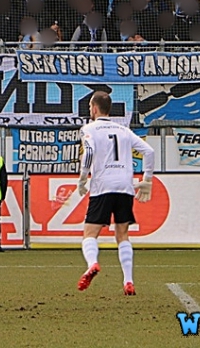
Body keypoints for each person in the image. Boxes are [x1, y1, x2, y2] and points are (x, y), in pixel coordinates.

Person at [76, 91, 155, 296]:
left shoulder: (89, 128)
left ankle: (92, 264)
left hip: (102, 186)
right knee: (122, 235)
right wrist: (147, 179)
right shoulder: (123, 130)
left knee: (90, 233)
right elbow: (149, 151)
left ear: (94, 108)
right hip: (124, 187)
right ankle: (128, 281)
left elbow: (90, 153)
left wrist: (83, 177)